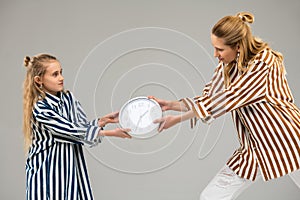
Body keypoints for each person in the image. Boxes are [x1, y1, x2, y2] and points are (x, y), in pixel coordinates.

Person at [150, 11, 300, 199]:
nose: (215, 55)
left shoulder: (264, 62)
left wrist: (179, 119)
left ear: (237, 46)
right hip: (254, 149)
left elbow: (229, 98)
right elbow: (209, 97)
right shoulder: (227, 66)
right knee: (211, 196)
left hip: (289, 141)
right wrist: (171, 105)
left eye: (219, 49)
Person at [22, 53, 131, 200]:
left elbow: (80, 129)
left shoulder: (69, 99)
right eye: (55, 74)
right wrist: (110, 133)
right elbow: (67, 131)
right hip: (46, 172)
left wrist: (101, 122)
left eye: (61, 72)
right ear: (39, 80)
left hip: (70, 170)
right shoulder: (40, 108)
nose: (61, 78)